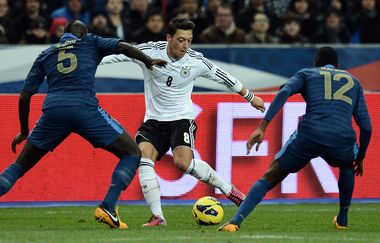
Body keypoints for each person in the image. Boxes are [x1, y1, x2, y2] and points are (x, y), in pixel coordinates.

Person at [0, 20, 166, 230]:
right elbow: (122, 46)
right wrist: (147, 60)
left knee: (19, 166)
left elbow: (24, 96)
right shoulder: (90, 42)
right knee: (131, 153)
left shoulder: (47, 53)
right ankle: (108, 207)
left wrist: (24, 131)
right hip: (84, 108)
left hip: (53, 112)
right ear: (82, 35)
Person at [101, 17, 266, 227]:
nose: (185, 45)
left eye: (189, 40)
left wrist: (251, 97)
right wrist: (90, 61)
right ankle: (158, 216)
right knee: (143, 158)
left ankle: (229, 190)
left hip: (181, 119)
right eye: (180, 40)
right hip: (153, 121)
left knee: (182, 163)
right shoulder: (149, 51)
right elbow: (119, 55)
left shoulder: (195, 61)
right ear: (169, 38)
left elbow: (225, 78)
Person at [219, 46, 372, 232]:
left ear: (315, 63)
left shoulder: (307, 73)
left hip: (310, 135)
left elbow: (284, 92)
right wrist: (361, 156)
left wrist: (263, 126)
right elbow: (366, 127)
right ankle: (343, 219)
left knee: (271, 175)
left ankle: (235, 223)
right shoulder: (354, 82)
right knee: (347, 165)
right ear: (338, 65)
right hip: (341, 137)